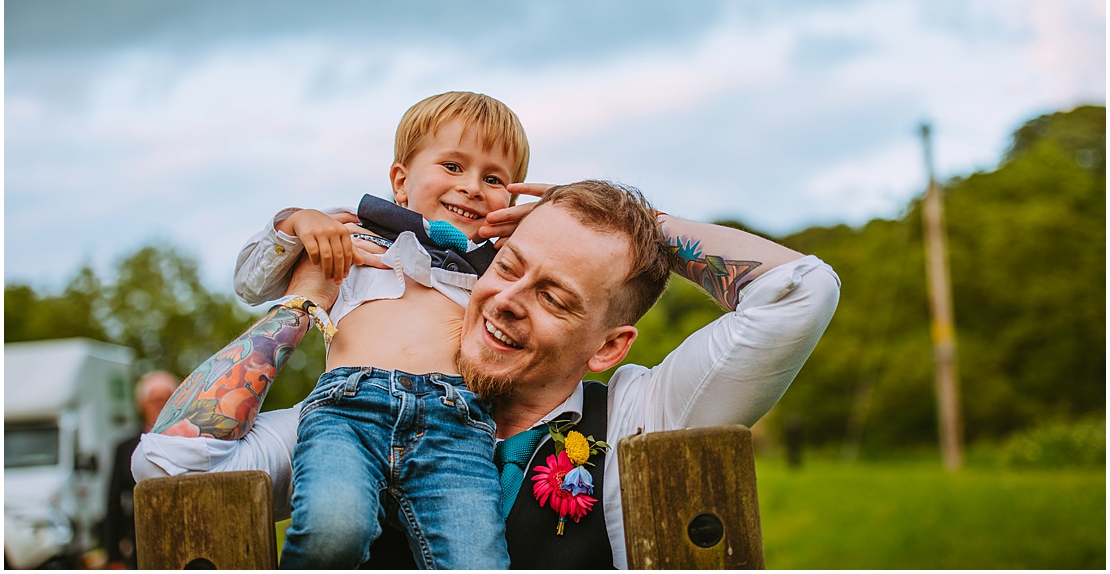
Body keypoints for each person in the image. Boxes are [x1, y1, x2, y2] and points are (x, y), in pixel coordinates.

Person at [134, 179, 840, 568]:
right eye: (508, 266)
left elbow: (798, 291)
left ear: (608, 345)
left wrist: (646, 227)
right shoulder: (362, 412)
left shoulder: (637, 412)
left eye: (554, 295)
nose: (506, 299)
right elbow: (171, 465)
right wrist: (304, 303)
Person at [159, 92, 530, 568]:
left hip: (455, 425)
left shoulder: (500, 270)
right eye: (453, 167)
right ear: (401, 181)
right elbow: (250, 282)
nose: (473, 187)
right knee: (334, 527)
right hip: (350, 409)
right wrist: (294, 222)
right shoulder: (355, 235)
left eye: (494, 178)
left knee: (476, 559)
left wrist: (546, 221)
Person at [103, 371, 179, 569]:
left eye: (166, 399)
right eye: (154, 400)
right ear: (142, 404)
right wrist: (113, 556)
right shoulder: (125, 448)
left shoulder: (190, 443)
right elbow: (113, 504)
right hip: (140, 544)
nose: (160, 406)